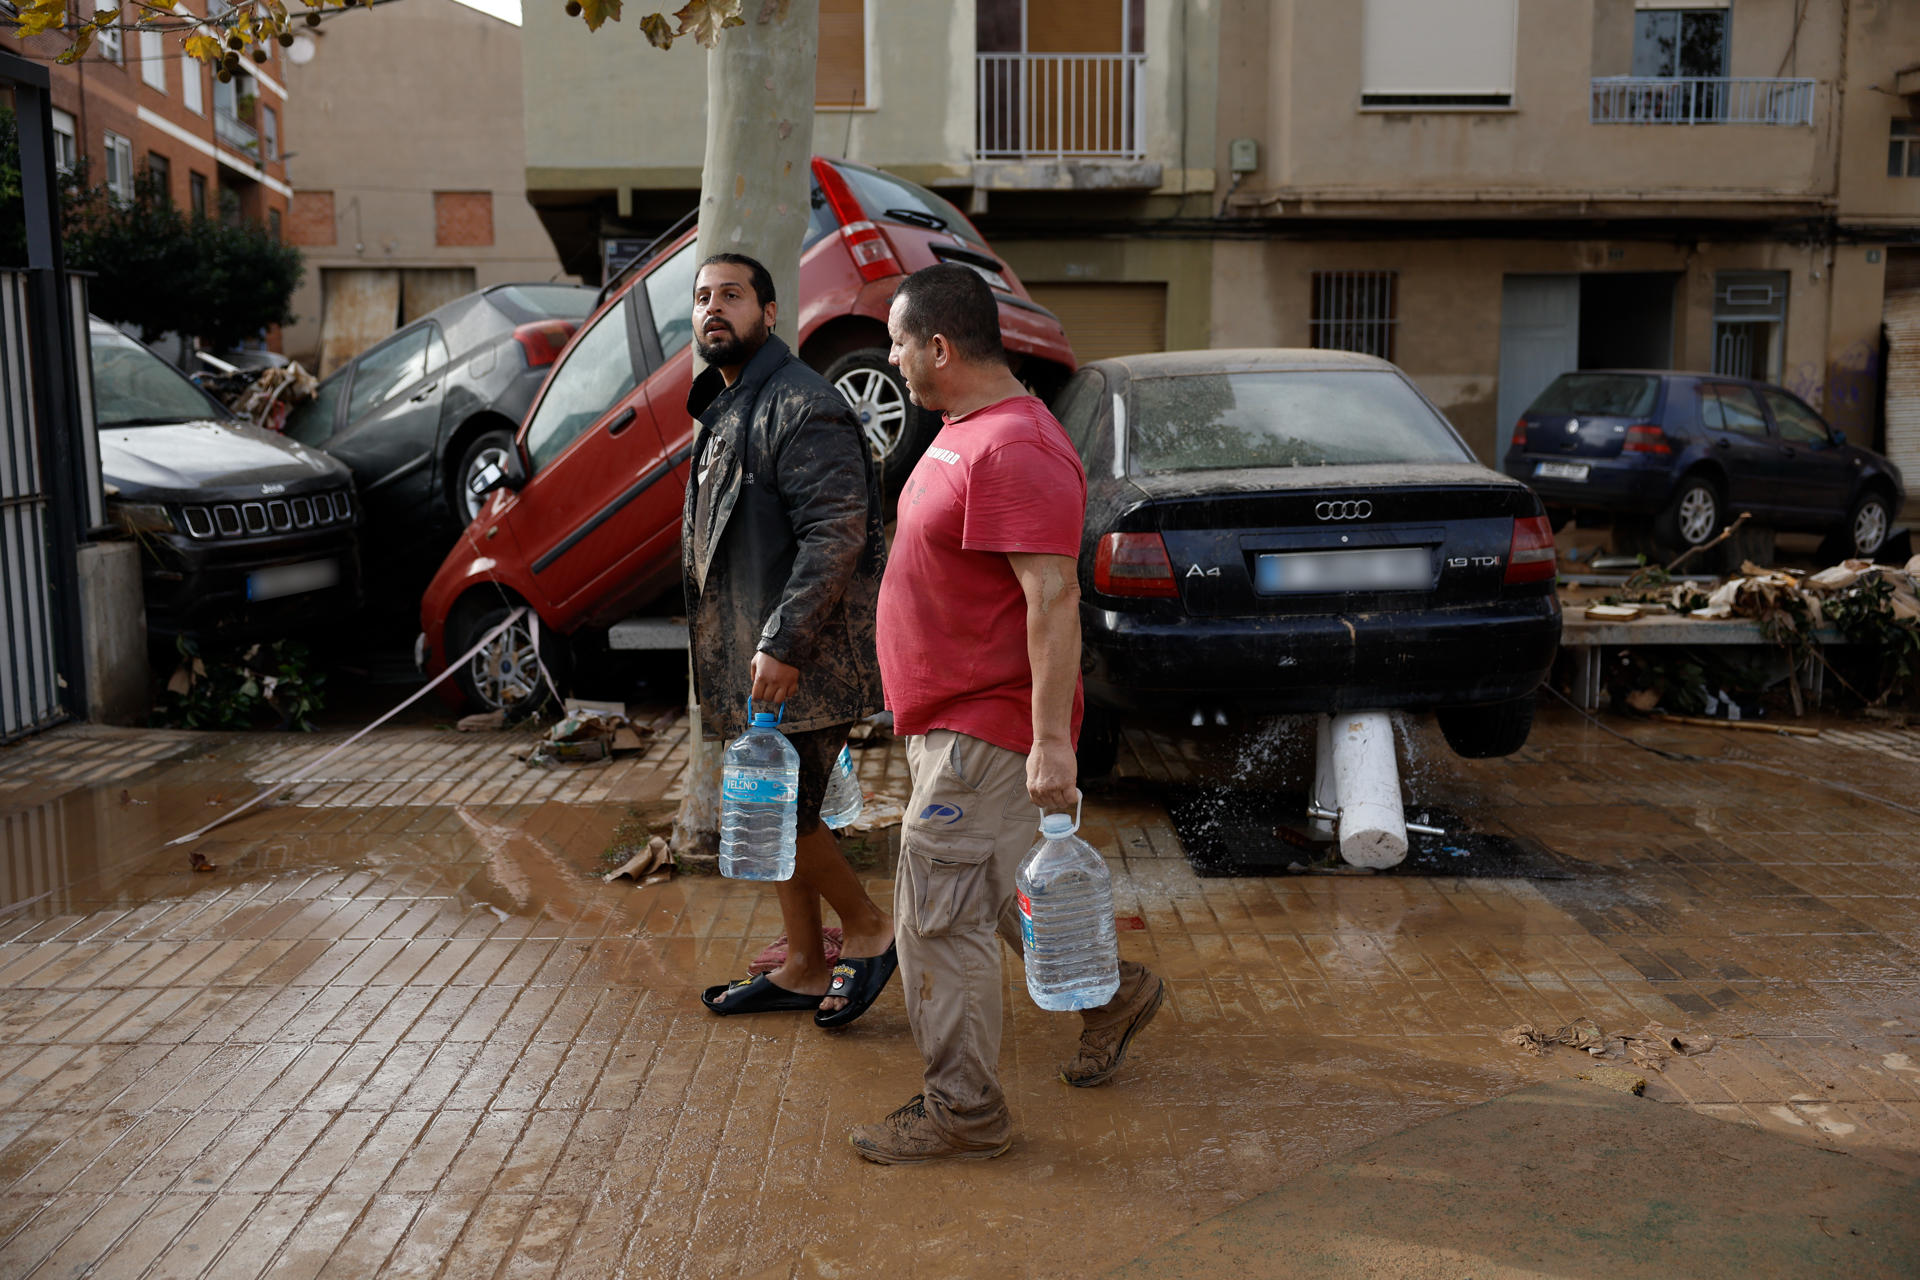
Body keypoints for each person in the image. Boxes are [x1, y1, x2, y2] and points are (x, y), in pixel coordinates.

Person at [849, 264, 1164, 1165]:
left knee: (936, 921)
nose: (891, 359)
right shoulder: (963, 430)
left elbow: (1052, 599)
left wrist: (1053, 746)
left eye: (898, 343)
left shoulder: (1014, 448)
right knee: (983, 893)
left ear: (938, 348)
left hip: (982, 736)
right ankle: (1110, 995)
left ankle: (965, 1113)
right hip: (946, 726)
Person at [685, 252, 896, 1028]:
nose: (714, 308)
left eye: (732, 296)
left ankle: (870, 927)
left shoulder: (805, 406)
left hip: (802, 662)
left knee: (782, 817)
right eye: (703, 297)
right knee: (776, 808)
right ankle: (806, 965)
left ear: (770, 314)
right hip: (755, 659)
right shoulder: (727, 406)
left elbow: (833, 538)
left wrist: (782, 643)